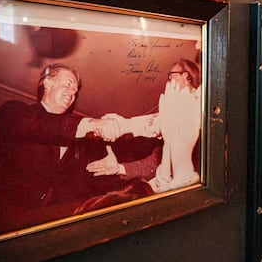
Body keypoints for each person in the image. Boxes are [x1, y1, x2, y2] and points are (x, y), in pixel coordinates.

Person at [0, 63, 153, 234]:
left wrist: (121, 171)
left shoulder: (79, 144)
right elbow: (40, 125)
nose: (73, 93)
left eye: (75, 91)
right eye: (68, 84)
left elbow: (93, 183)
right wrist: (91, 124)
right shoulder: (14, 111)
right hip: (11, 221)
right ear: (47, 83)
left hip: (56, 227)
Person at [87, 59, 202, 193]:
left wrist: (123, 125)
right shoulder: (172, 115)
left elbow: (167, 122)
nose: (168, 80)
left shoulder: (201, 102)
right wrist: (119, 168)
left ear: (185, 75)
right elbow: (152, 165)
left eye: (171, 75)